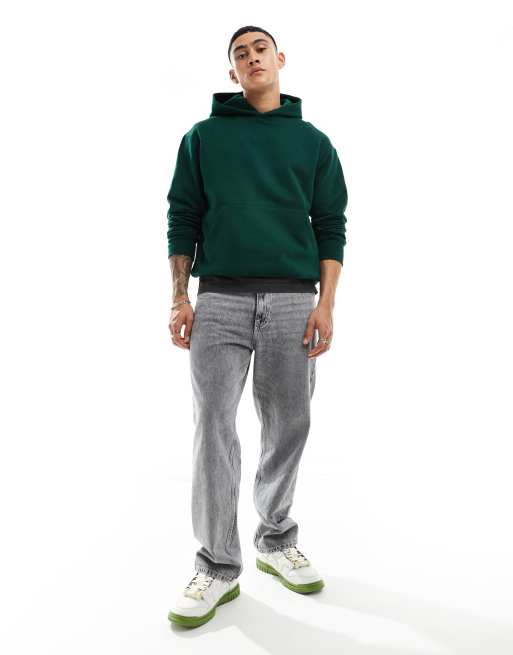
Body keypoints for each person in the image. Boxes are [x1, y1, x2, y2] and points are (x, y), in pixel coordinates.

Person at [166, 25, 348, 629]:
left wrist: (327, 304)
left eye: (259, 49)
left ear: (280, 59)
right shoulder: (203, 138)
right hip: (219, 300)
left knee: (289, 424)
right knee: (213, 426)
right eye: (239, 54)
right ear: (232, 73)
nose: (251, 58)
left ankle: (275, 539)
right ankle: (217, 565)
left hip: (295, 301)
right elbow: (182, 217)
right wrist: (179, 297)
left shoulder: (314, 143)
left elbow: (331, 224)